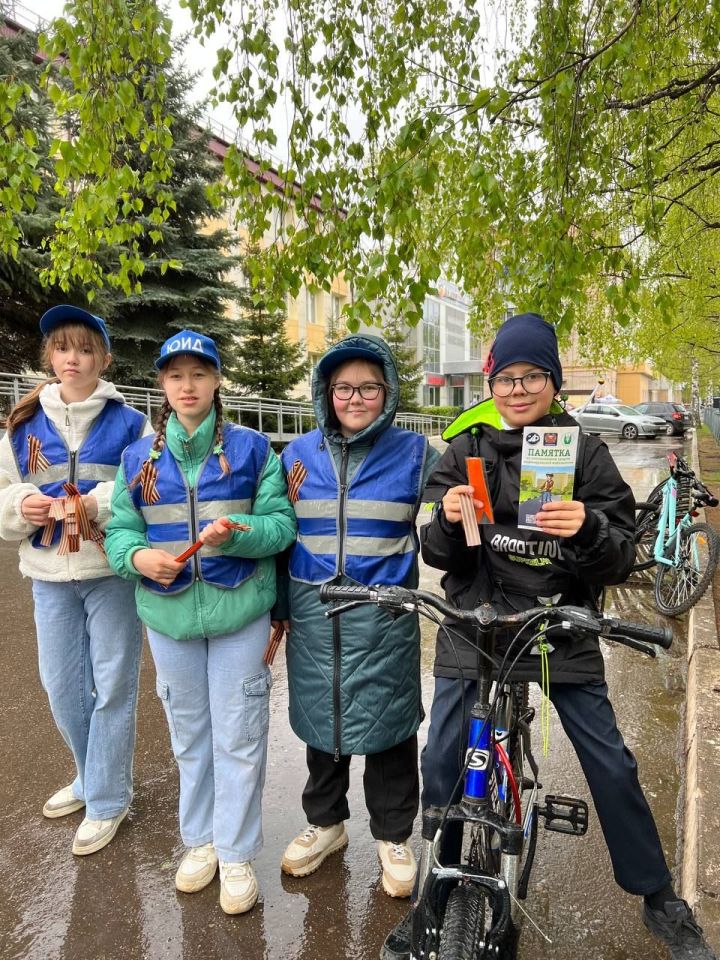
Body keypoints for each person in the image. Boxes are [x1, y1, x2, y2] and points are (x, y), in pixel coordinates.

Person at [381, 312, 717, 960]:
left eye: (532, 375)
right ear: (492, 382)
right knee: (445, 756)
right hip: (476, 622)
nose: (517, 387)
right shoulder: (467, 448)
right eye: (506, 376)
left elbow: (622, 556)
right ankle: (439, 890)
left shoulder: (583, 451)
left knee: (611, 762)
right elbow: (438, 551)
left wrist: (587, 528)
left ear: (553, 382)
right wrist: (449, 522)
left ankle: (659, 900)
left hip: (557, 624)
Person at [104, 330, 295, 915]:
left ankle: (236, 854)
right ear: (162, 386)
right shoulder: (138, 459)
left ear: (216, 381)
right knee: (190, 738)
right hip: (168, 619)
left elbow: (280, 526)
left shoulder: (253, 449)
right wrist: (138, 558)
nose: (188, 386)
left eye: (199, 374)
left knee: (238, 734)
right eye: (175, 376)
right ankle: (201, 842)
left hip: (240, 613)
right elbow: (118, 530)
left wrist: (239, 536)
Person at [276, 334, 440, 898]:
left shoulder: (418, 455)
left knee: (391, 727)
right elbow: (280, 535)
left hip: (384, 616)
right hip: (314, 613)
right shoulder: (295, 457)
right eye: (343, 387)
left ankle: (394, 835)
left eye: (368, 387)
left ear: (388, 392)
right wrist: (279, 609)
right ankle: (326, 823)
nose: (355, 398)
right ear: (326, 393)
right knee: (325, 725)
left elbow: (455, 515)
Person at [0, 304, 149, 855]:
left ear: (104, 359)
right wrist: (25, 503)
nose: (73, 359)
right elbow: (2, 495)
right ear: (49, 356)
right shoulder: (22, 425)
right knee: (62, 688)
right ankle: (90, 777)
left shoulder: (132, 423)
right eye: (63, 348)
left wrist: (92, 503)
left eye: (86, 350)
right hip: (46, 573)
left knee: (113, 686)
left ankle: (109, 798)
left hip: (108, 571)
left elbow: (144, 490)